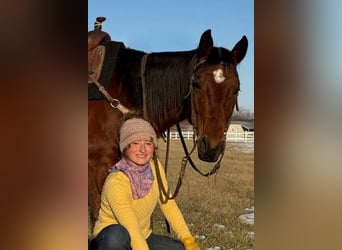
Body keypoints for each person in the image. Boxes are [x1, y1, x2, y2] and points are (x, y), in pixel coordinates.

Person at [90, 114, 200, 250]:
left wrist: (187, 238)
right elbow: (131, 228)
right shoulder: (116, 181)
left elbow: (168, 205)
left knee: (178, 248)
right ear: (125, 147)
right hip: (110, 241)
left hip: (143, 235)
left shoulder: (155, 167)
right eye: (135, 143)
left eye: (148, 143)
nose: (142, 150)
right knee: (117, 234)